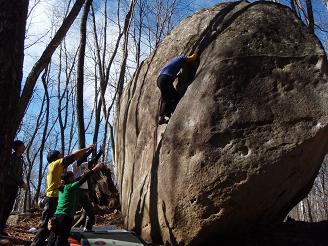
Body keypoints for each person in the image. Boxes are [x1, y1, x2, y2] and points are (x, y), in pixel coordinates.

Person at [31, 144, 95, 246]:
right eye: (60, 155)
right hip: (51, 199)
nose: (62, 155)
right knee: (45, 226)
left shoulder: (59, 169)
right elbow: (74, 156)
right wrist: (87, 149)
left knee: (56, 227)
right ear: (56, 158)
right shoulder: (55, 164)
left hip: (56, 199)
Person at [47, 163, 105, 246]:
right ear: (70, 179)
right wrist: (96, 168)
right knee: (61, 239)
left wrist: (81, 175)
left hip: (57, 216)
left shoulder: (62, 188)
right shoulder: (70, 187)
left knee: (53, 237)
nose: (74, 177)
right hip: (65, 217)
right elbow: (83, 179)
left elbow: (78, 179)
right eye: (73, 176)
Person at [157, 53, 198, 125]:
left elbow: (169, 73)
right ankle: (163, 116)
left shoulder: (171, 62)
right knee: (168, 98)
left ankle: (169, 116)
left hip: (161, 79)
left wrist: (177, 75)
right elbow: (192, 58)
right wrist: (195, 53)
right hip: (165, 79)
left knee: (172, 97)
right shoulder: (181, 58)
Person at [71, 144, 104, 231]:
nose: (81, 156)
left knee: (90, 210)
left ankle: (88, 228)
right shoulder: (74, 164)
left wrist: (100, 151)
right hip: (76, 190)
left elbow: (94, 160)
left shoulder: (84, 164)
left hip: (84, 191)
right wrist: (89, 150)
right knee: (71, 210)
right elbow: (83, 157)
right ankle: (64, 227)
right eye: (79, 155)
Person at [0, 140, 27, 236]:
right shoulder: (13, 158)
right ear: (18, 147)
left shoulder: (21, 159)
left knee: (8, 208)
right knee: (4, 207)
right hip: (8, 185)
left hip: (14, 186)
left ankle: (1, 228)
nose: (24, 147)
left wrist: (20, 182)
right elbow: (11, 172)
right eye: (23, 145)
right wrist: (21, 182)